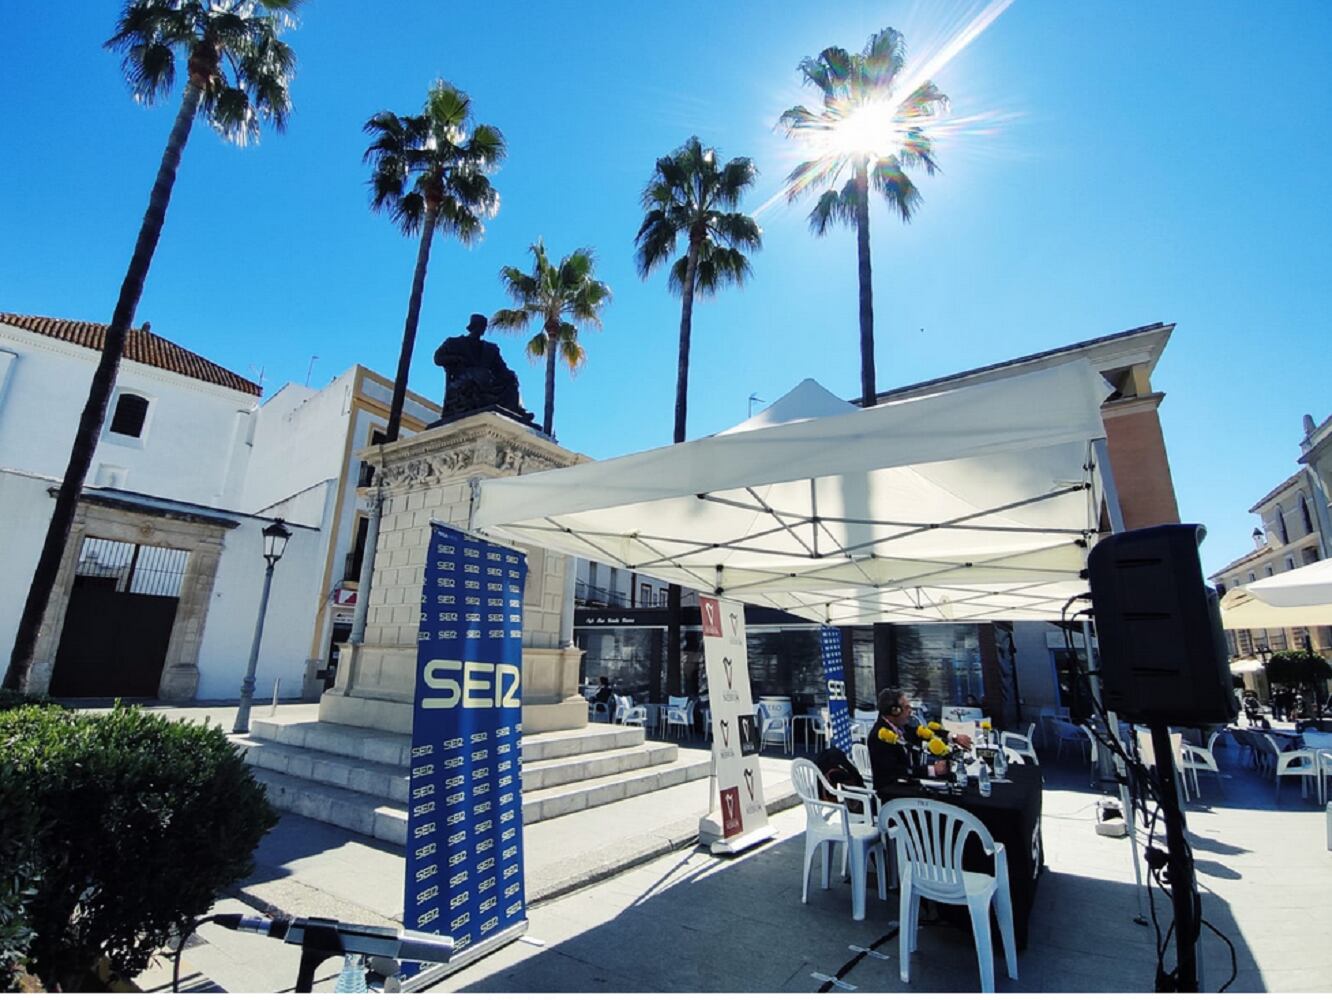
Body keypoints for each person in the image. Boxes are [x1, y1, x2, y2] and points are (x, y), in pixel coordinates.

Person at [867, 688, 916, 792]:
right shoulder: (880, 736)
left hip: (906, 785)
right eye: (906, 707)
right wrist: (932, 770)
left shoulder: (902, 728)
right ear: (894, 711)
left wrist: (953, 737)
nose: (910, 711)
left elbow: (921, 733)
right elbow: (896, 772)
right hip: (893, 794)